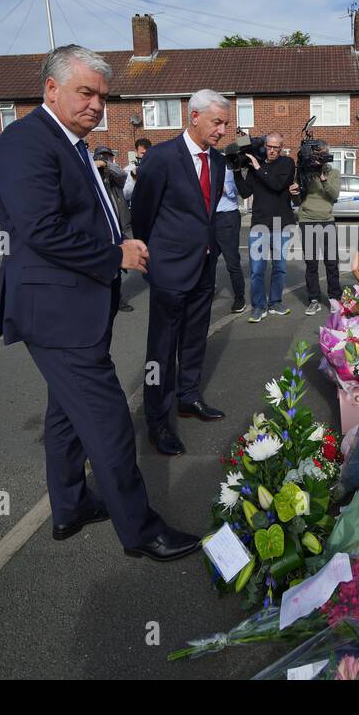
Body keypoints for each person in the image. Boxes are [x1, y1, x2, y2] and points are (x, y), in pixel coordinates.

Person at [0, 45, 199, 563]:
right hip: (55, 314)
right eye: (86, 93)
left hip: (77, 307)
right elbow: (39, 230)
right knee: (107, 422)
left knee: (65, 415)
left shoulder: (72, 143)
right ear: (51, 89)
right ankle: (142, 531)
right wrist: (115, 254)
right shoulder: (25, 142)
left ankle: (71, 505)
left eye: (103, 97)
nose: (96, 106)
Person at [131, 89, 230, 457]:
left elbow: (207, 212)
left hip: (204, 266)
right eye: (216, 122)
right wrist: (149, 256)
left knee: (194, 340)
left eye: (225, 123)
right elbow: (142, 213)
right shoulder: (161, 157)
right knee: (160, 349)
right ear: (194, 117)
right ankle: (157, 420)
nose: (222, 130)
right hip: (169, 270)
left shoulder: (217, 162)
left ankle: (187, 399)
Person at [236, 132, 296, 323]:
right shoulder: (256, 168)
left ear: (281, 147)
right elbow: (245, 193)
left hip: (281, 225)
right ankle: (259, 306)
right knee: (256, 270)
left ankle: (275, 303)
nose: (271, 150)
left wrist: (258, 167)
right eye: (269, 147)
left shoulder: (287, 164)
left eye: (275, 147)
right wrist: (237, 171)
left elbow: (277, 185)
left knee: (279, 268)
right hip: (259, 225)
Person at [296, 149, 341, 315]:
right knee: (311, 264)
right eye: (316, 155)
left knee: (331, 263)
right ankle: (313, 299)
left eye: (322, 155)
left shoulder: (334, 173)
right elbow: (297, 199)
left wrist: (323, 178)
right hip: (307, 220)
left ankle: (335, 298)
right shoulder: (304, 172)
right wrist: (294, 191)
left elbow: (334, 195)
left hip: (327, 221)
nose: (319, 159)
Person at [94, 145, 135, 312]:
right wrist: (95, 166)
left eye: (108, 157)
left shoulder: (114, 175)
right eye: (102, 157)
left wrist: (107, 165)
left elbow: (123, 175)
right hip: (101, 230)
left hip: (119, 228)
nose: (105, 160)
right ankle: (101, 300)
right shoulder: (91, 176)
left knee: (117, 266)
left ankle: (117, 300)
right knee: (103, 266)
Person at [213, 163, 246, 313]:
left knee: (231, 260)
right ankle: (208, 289)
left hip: (227, 216)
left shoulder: (228, 169)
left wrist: (223, 187)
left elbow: (237, 192)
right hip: (207, 218)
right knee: (206, 259)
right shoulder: (199, 167)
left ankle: (240, 297)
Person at [121, 137, 151, 205]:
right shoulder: (128, 170)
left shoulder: (156, 168)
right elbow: (126, 195)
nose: (145, 156)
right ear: (136, 152)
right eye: (142, 153)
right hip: (136, 208)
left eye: (147, 153)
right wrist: (133, 178)